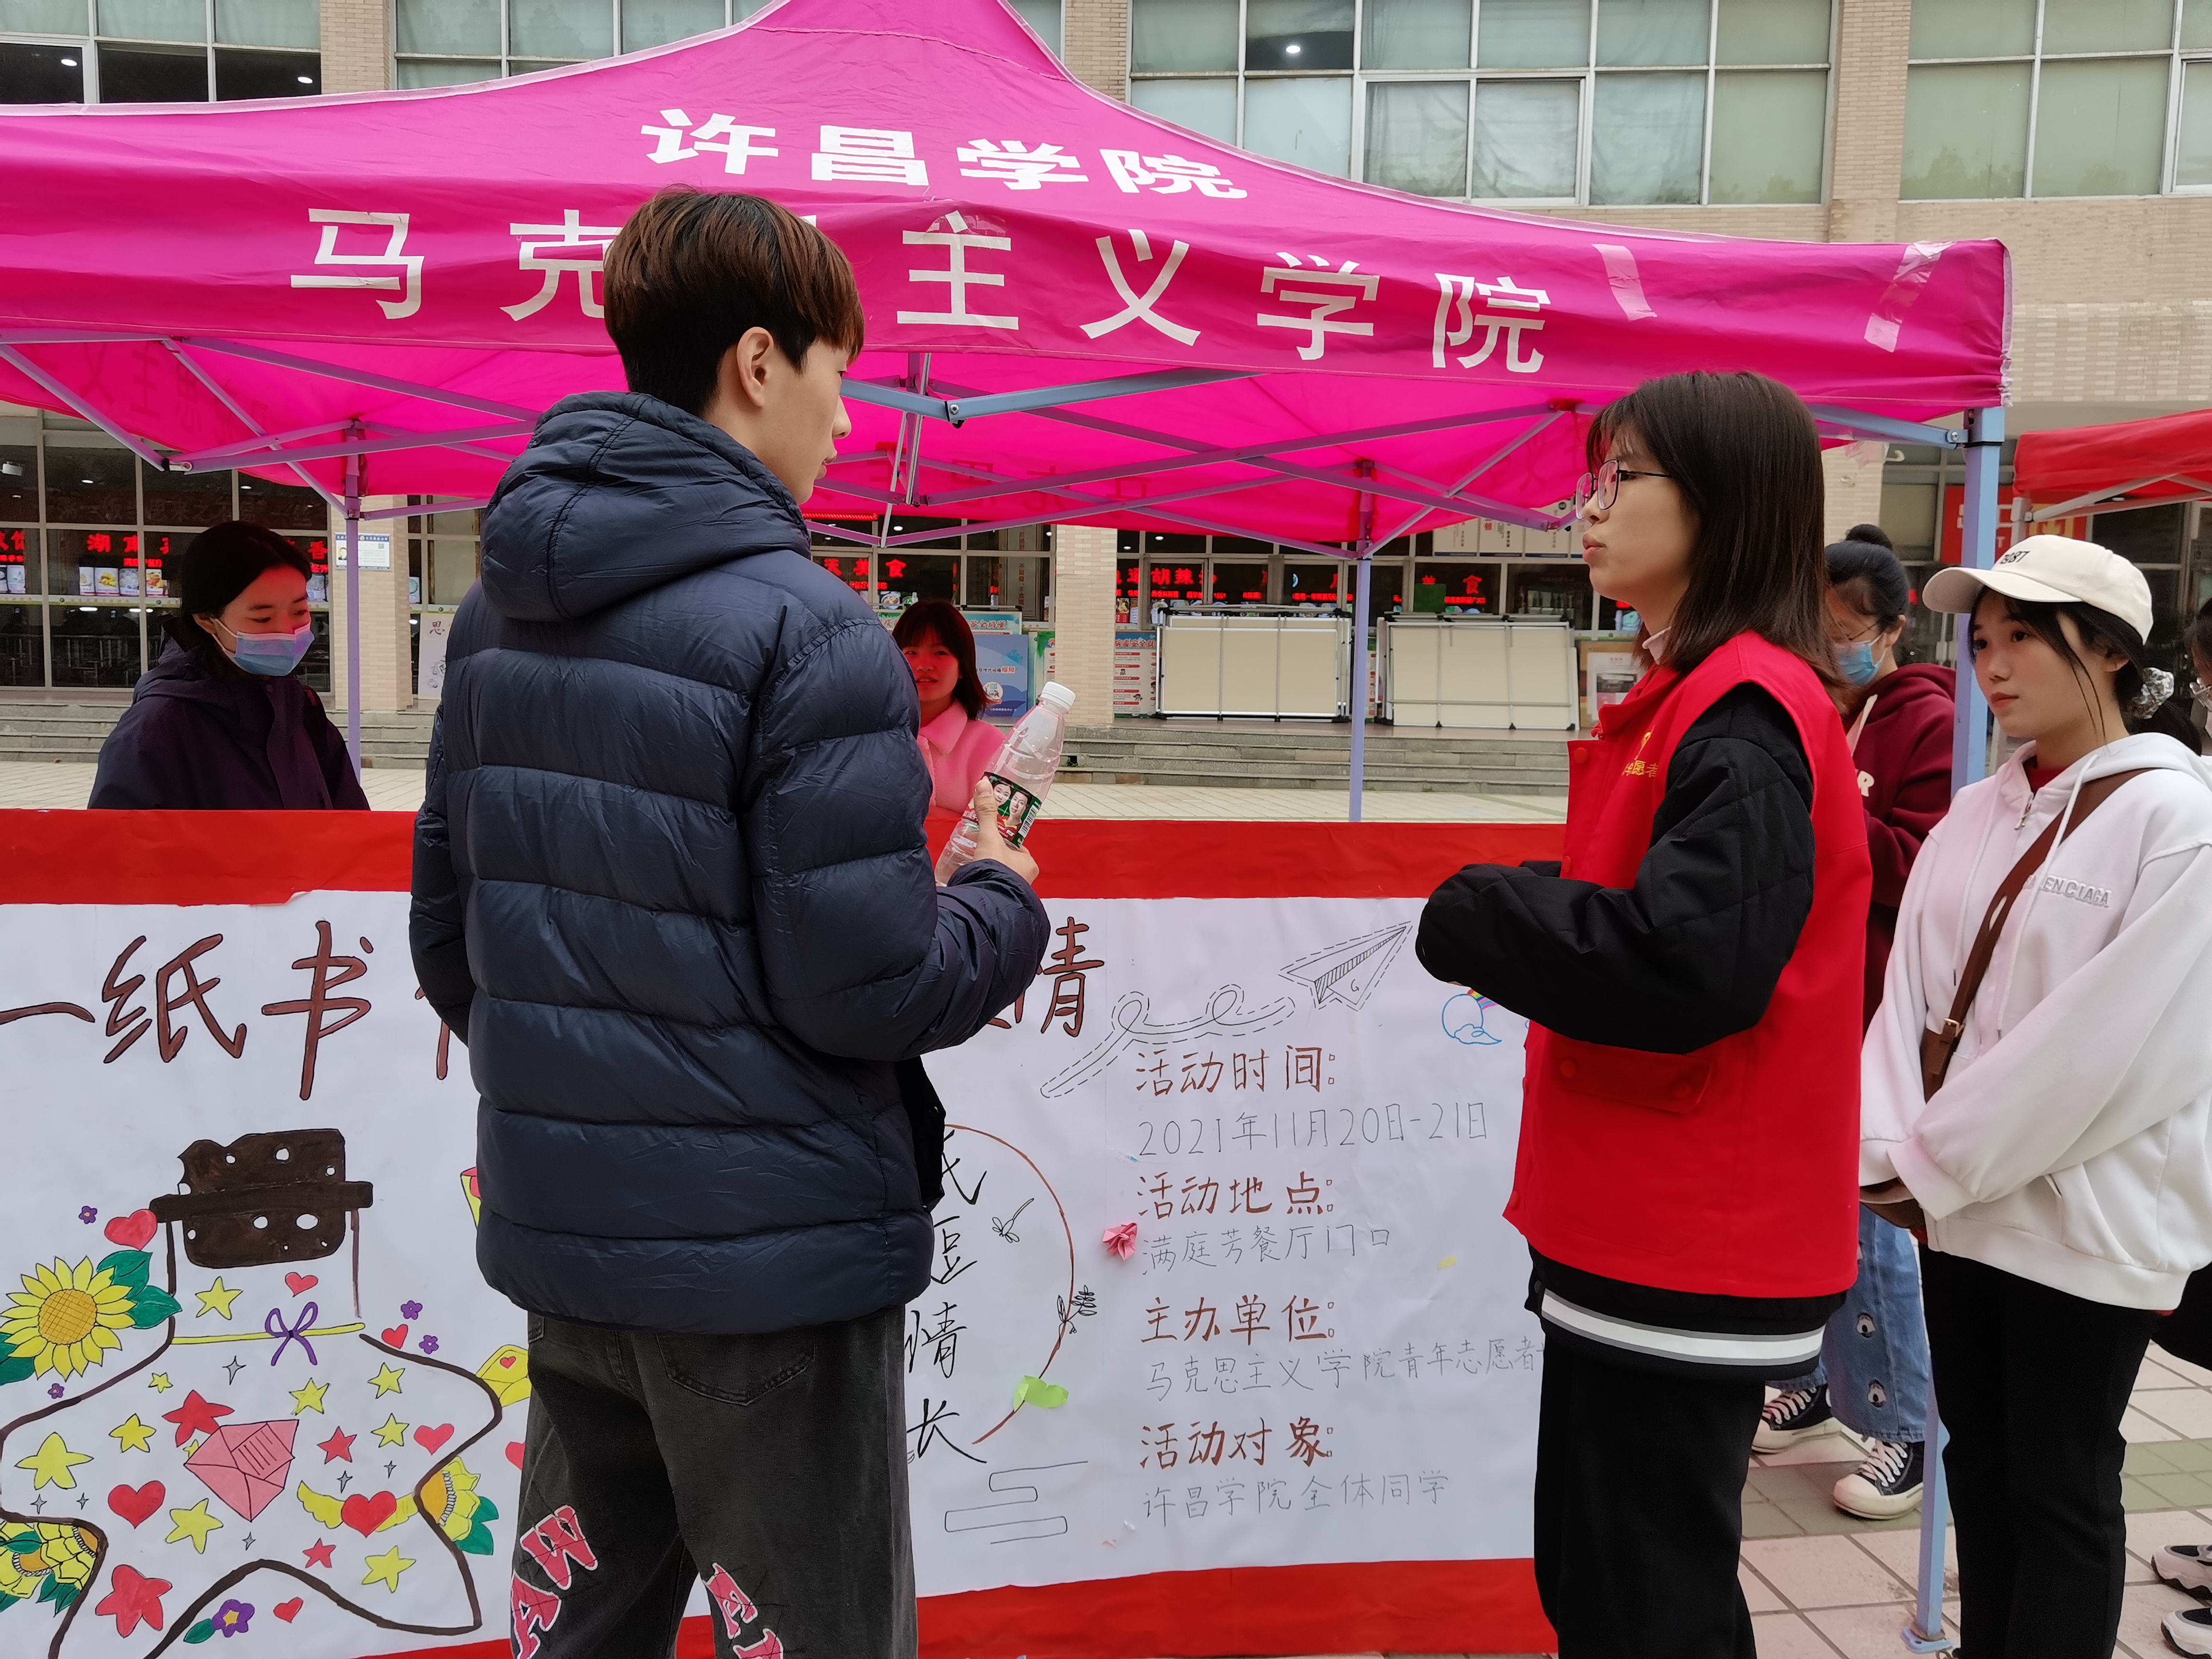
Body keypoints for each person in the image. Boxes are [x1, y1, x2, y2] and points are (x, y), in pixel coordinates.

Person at [407, 187, 1049, 1659]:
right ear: (760, 362)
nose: (848, 414)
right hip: (772, 1271)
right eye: (839, 370)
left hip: (571, 1248)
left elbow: (451, 943)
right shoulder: (807, 628)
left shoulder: (496, 617)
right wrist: (1000, 892)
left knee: (580, 1628)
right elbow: (873, 986)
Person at [1415, 371, 1870, 1659]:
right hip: (1645, 1222)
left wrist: (1481, 913)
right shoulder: (1704, 694)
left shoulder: (1745, 709)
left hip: (1688, 1234)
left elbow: (1690, 963)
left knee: (1640, 1605)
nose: (1590, 507)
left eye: (1621, 478)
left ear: (1719, 500)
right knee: (1617, 1586)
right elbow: (1673, 907)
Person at [1858, 535, 2212, 1659]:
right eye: (1981, 640)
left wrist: (1928, 1161)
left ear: (2108, 651)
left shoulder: (2177, 819)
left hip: (2082, 1219)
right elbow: (1908, 998)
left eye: (2024, 637)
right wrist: (1886, 1146)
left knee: (2060, 1483)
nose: (1994, 666)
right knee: (1982, 1464)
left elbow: (2109, 1048)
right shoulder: (1977, 809)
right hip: (1955, 1207)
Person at [1757, 523, 1950, 1519]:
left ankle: (1904, 1425)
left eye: (1845, 633)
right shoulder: (1820, 712)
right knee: (1809, 1209)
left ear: (1892, 630)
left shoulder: (1927, 722)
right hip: (1810, 998)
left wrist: (1825, 797)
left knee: (1874, 1225)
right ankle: (1820, 1381)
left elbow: (1919, 866)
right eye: (1817, 630)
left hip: (1875, 1010)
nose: (1831, 649)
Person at [90, 519, 366, 811]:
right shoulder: (155, 730)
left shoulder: (301, 709)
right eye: (263, 618)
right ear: (207, 620)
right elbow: (121, 835)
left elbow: (352, 820)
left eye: (299, 611)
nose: (287, 631)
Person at [894, 598, 1004, 822]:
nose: (924, 665)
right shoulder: (872, 736)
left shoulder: (990, 744)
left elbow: (1001, 829)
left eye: (940, 653)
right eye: (911, 652)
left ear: (963, 666)